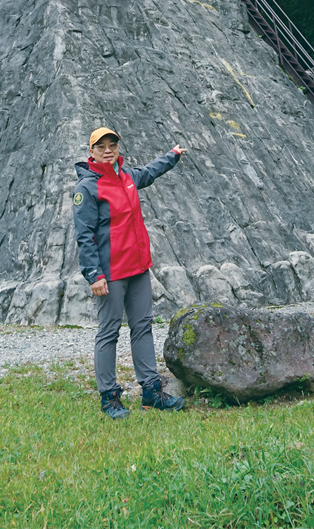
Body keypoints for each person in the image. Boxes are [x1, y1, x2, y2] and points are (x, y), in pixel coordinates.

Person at [73, 127, 187, 419]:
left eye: (112, 145)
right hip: (110, 273)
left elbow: (151, 171)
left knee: (143, 327)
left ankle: (151, 392)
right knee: (109, 332)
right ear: (92, 153)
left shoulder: (128, 177)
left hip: (138, 268)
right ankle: (109, 397)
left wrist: (172, 156)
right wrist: (93, 275)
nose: (108, 150)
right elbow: (84, 236)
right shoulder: (87, 188)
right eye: (102, 147)